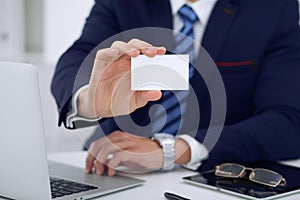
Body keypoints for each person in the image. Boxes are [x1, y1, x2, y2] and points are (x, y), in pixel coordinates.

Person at [51, 0, 300, 177]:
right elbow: (78, 57)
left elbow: (288, 120)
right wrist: (89, 98)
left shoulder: (273, 7)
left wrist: (173, 150)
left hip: (209, 176)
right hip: (112, 167)